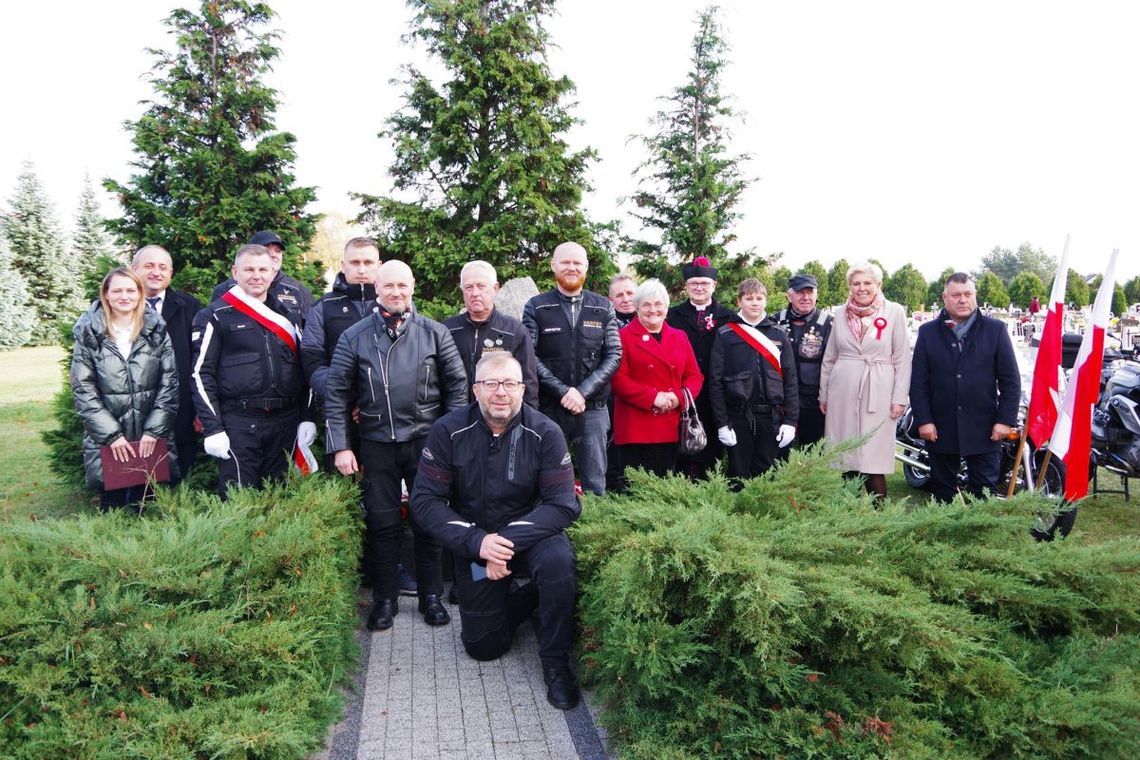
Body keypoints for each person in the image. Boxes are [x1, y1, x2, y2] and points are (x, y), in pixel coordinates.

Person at [410, 354, 582, 710]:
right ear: (476, 390)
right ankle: (531, 596)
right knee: (483, 647)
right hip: (474, 542)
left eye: (509, 384)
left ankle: (556, 662)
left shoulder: (546, 432)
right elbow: (425, 502)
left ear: (522, 389)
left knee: (558, 563)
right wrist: (479, 544)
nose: (500, 392)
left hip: (533, 535)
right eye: (491, 384)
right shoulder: (447, 431)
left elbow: (564, 504)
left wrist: (500, 545)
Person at [325, 259, 468, 631]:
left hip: (427, 442)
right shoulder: (354, 336)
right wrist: (341, 445)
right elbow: (337, 394)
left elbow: (457, 389)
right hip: (376, 442)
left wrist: (449, 440)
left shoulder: (435, 333)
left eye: (403, 286)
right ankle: (385, 599)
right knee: (382, 522)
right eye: (389, 286)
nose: (396, 292)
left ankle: (432, 597)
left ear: (413, 286)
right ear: (377, 288)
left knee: (428, 520)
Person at [191, 244, 316, 497]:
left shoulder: (289, 317)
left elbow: (307, 371)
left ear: (273, 273)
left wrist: (307, 416)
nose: (256, 275)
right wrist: (213, 429)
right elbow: (199, 374)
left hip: (285, 422)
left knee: (280, 500)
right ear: (235, 272)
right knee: (239, 502)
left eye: (263, 269)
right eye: (249, 269)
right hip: (239, 423)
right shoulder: (215, 315)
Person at [71, 267, 179, 511]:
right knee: (114, 511)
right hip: (110, 440)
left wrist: (154, 430)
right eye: (117, 290)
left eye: (131, 290)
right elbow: (83, 388)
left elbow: (169, 383)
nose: (124, 296)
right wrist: (111, 435)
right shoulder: (89, 333)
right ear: (106, 295)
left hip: (150, 437)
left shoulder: (156, 330)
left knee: (150, 508)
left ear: (140, 294)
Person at [909, 272, 1021, 502]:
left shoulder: (995, 330)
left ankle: (980, 536)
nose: (963, 299)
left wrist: (1004, 420)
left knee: (984, 493)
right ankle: (946, 537)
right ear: (944, 297)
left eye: (968, 294)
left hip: (985, 427)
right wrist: (924, 420)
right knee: (942, 492)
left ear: (975, 295)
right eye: (956, 295)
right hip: (940, 428)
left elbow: (1010, 380)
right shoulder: (928, 333)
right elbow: (919, 382)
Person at [523, 241, 621, 495]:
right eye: (565, 262)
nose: (571, 267)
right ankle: (554, 532)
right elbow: (529, 356)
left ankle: (595, 532)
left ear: (586, 267)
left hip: (593, 411)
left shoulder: (603, 307)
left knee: (596, 485)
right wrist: (564, 392)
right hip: (551, 409)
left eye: (577, 263)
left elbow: (614, 354)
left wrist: (583, 392)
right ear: (553, 265)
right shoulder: (536, 307)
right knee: (550, 482)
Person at [819, 262, 911, 502]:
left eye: (867, 283)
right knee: (846, 452)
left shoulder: (894, 312)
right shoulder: (840, 313)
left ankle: (879, 512)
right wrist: (824, 394)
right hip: (843, 390)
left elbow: (902, 358)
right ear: (849, 286)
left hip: (879, 389)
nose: (862, 288)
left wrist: (899, 398)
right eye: (856, 283)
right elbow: (830, 356)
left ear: (878, 284)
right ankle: (848, 511)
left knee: (873, 455)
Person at [611, 279, 703, 479]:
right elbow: (618, 379)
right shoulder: (622, 337)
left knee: (670, 489)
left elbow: (694, 376)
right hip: (637, 428)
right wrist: (653, 398)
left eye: (658, 304)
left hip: (673, 425)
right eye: (646, 305)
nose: (653, 310)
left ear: (667, 307)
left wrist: (678, 397)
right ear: (636, 308)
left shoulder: (680, 337)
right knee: (637, 492)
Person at [708, 278, 799, 481]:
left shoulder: (779, 334)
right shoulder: (726, 334)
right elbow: (715, 382)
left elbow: (791, 380)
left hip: (771, 416)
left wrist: (791, 421)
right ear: (739, 302)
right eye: (749, 298)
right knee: (738, 475)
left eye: (759, 298)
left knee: (767, 475)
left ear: (766, 301)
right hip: (738, 415)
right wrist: (722, 423)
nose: (755, 303)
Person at [132, 245, 203, 483]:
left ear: (171, 273)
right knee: (139, 485)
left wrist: (200, 411)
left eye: (163, 267)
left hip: (181, 412)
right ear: (134, 269)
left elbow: (201, 363)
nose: (156, 272)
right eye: (149, 266)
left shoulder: (190, 308)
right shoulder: (118, 307)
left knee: (179, 483)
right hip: (134, 412)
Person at [666, 256, 735, 479]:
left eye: (704, 283)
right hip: (683, 390)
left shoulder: (728, 317)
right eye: (693, 283)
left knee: (712, 443)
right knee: (682, 441)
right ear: (686, 286)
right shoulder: (671, 316)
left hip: (716, 391)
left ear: (714, 285)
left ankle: (709, 485)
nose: (699, 288)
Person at [444, 260, 539, 409]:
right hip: (456, 418)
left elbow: (528, 384)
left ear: (495, 288)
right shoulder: (446, 331)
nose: (475, 293)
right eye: (469, 287)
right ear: (462, 291)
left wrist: (527, 423)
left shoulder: (515, 331)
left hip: (500, 417)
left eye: (481, 286)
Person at [772, 273, 833, 449]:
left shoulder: (829, 324)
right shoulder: (774, 321)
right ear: (789, 295)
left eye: (810, 292)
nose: (806, 297)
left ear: (816, 295)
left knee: (812, 453)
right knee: (779, 452)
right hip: (781, 400)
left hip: (814, 401)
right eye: (800, 292)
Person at [210, 230, 313, 319]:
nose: (274, 255)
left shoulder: (298, 290)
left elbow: (308, 333)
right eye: (267, 250)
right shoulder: (226, 290)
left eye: (278, 251)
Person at [605, 272, 639, 491]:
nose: (626, 299)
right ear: (611, 299)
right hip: (610, 393)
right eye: (620, 295)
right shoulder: (603, 324)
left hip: (640, 393)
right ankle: (614, 484)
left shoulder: (651, 320)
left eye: (630, 293)